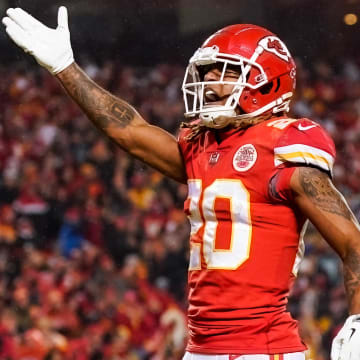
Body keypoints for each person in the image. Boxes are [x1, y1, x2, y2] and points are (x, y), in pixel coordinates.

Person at [2, 6, 360, 360]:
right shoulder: (201, 144)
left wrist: (358, 318)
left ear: (265, 83)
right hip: (200, 347)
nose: (209, 83)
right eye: (207, 72)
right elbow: (132, 132)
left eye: (225, 72)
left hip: (261, 350)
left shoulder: (283, 145)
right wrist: (66, 68)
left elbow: (352, 243)